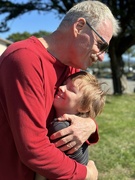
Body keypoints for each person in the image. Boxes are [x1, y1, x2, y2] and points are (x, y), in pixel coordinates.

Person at [0, 1, 120, 180]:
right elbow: (34, 149)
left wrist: (90, 125)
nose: (102, 56)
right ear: (79, 27)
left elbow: (81, 111)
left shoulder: (72, 69)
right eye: (101, 45)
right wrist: (85, 174)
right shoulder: (25, 58)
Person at [35, 71, 107, 180]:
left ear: (83, 108)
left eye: (71, 90)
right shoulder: (74, 125)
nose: (61, 87)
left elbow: (42, 162)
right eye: (64, 83)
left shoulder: (61, 128)